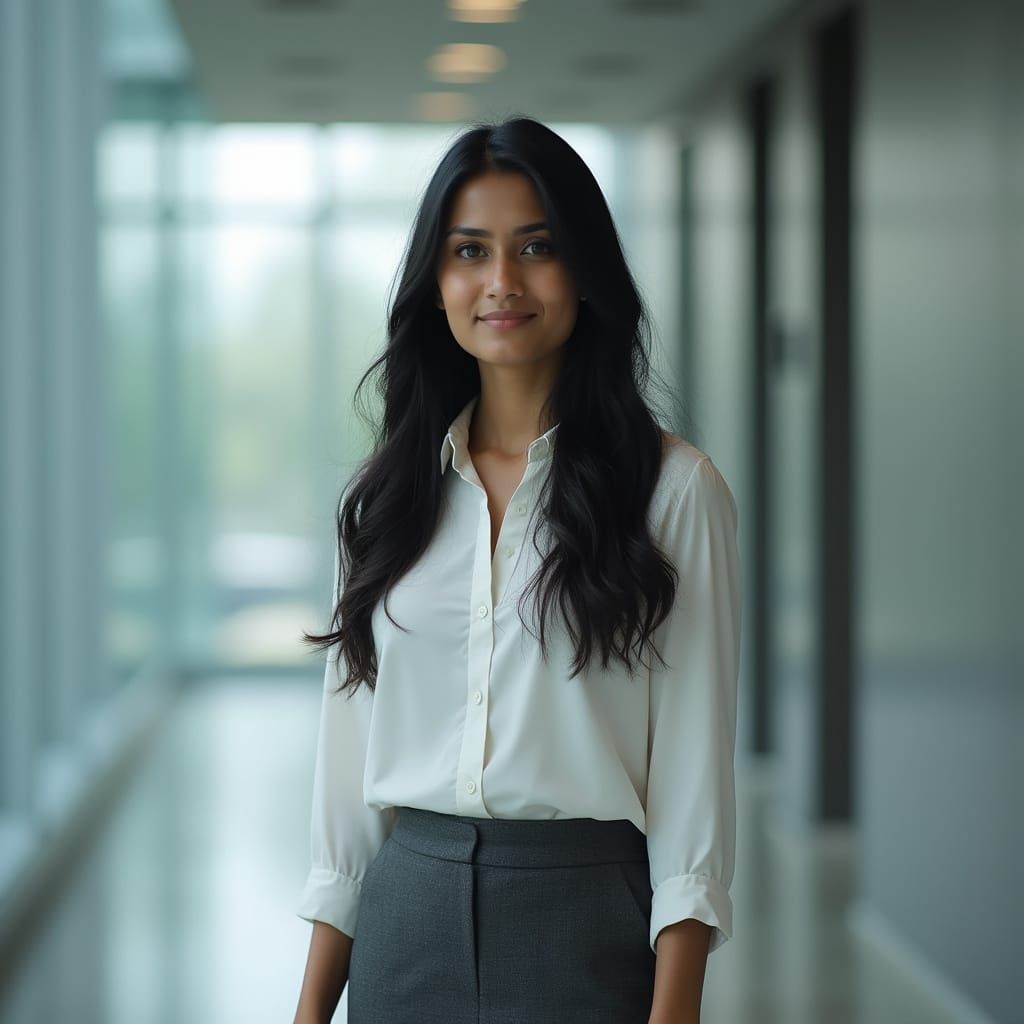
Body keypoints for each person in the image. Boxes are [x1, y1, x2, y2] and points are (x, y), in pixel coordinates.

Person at [292, 115, 742, 1024]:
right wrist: (308, 1011)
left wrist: (676, 1006)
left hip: (586, 925)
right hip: (403, 921)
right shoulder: (383, 500)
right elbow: (346, 790)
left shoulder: (676, 493)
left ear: (586, 270)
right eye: (470, 251)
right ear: (436, 281)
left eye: (536, 246)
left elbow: (695, 778)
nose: (502, 282)